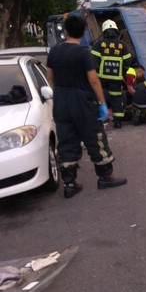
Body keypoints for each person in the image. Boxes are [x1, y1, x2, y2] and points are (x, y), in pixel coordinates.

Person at [46, 15, 127, 199]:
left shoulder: (54, 52)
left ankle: (69, 184)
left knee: (66, 139)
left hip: (61, 99)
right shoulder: (83, 52)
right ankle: (105, 177)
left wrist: (58, 93)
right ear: (84, 32)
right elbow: (93, 80)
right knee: (95, 136)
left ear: (65, 31)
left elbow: (49, 76)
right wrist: (102, 104)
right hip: (82, 100)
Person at [91, 19, 133, 128]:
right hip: (116, 78)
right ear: (116, 30)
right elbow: (128, 61)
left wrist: (97, 73)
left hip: (101, 78)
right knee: (116, 98)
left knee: (99, 95)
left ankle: (100, 119)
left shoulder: (99, 44)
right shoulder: (122, 45)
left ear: (104, 31)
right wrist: (122, 71)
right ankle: (118, 122)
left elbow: (93, 61)